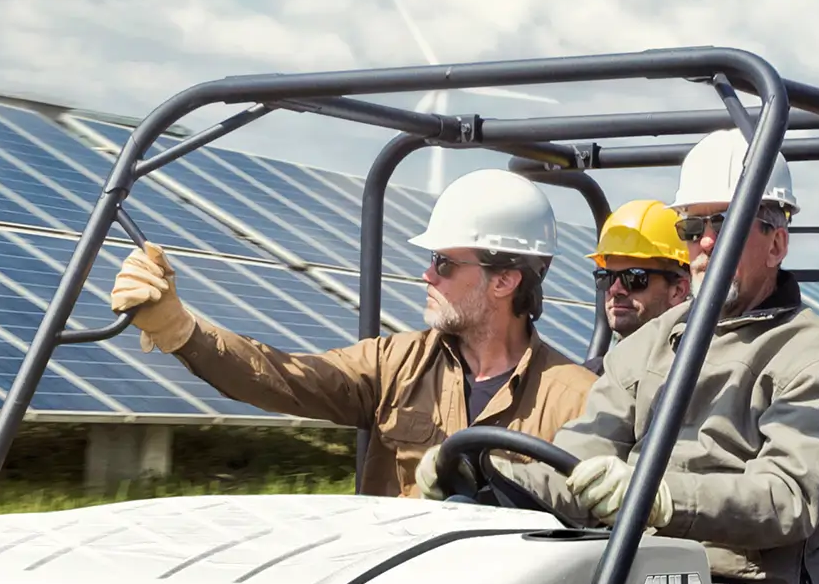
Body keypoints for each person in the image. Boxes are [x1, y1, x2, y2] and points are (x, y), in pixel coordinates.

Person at [440, 127, 819, 584]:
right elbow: (574, 466)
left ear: (776, 242)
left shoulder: (815, 360)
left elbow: (787, 500)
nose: (706, 243)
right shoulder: (647, 346)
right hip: (633, 576)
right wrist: (477, 477)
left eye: (727, 224)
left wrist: (660, 500)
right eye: (694, 228)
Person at [107, 166, 594, 497]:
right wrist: (181, 329)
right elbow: (286, 377)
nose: (427, 276)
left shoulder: (578, 400)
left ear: (505, 280)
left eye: (444, 263)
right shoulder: (395, 365)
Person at [588, 199, 691, 369]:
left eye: (634, 278)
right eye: (606, 277)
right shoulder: (588, 379)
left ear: (678, 290)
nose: (615, 289)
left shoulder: (693, 377)